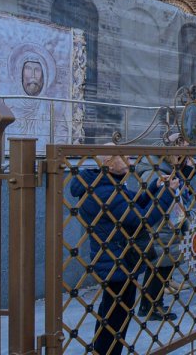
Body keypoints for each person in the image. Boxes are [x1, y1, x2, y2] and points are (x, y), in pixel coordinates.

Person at [70, 152, 176, 355]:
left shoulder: (106, 184)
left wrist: (154, 187)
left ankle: (102, 350)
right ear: (108, 164)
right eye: (123, 157)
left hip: (117, 259)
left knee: (110, 312)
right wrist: (168, 194)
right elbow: (142, 219)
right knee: (116, 317)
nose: (129, 160)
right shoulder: (105, 192)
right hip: (117, 261)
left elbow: (134, 203)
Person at [138, 141, 196, 321]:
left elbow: (182, 192)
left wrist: (186, 172)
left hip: (170, 225)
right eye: (179, 153)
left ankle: (152, 305)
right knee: (158, 268)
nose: (181, 158)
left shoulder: (168, 169)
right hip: (160, 227)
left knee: (164, 267)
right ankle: (151, 307)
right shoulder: (153, 171)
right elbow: (154, 200)